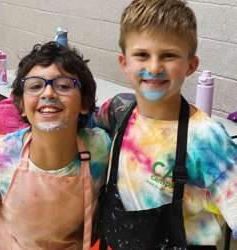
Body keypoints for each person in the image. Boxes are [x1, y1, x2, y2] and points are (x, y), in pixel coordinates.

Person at [91, 0, 237, 249]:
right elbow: (84, 126)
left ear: (191, 65)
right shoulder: (117, 109)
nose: (154, 67)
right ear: (124, 63)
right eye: (142, 55)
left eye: (168, 55)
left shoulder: (206, 138)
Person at [0, 41, 111, 250]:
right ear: (21, 105)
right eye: (35, 86)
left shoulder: (100, 148)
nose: (48, 94)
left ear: (85, 103)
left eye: (63, 85)